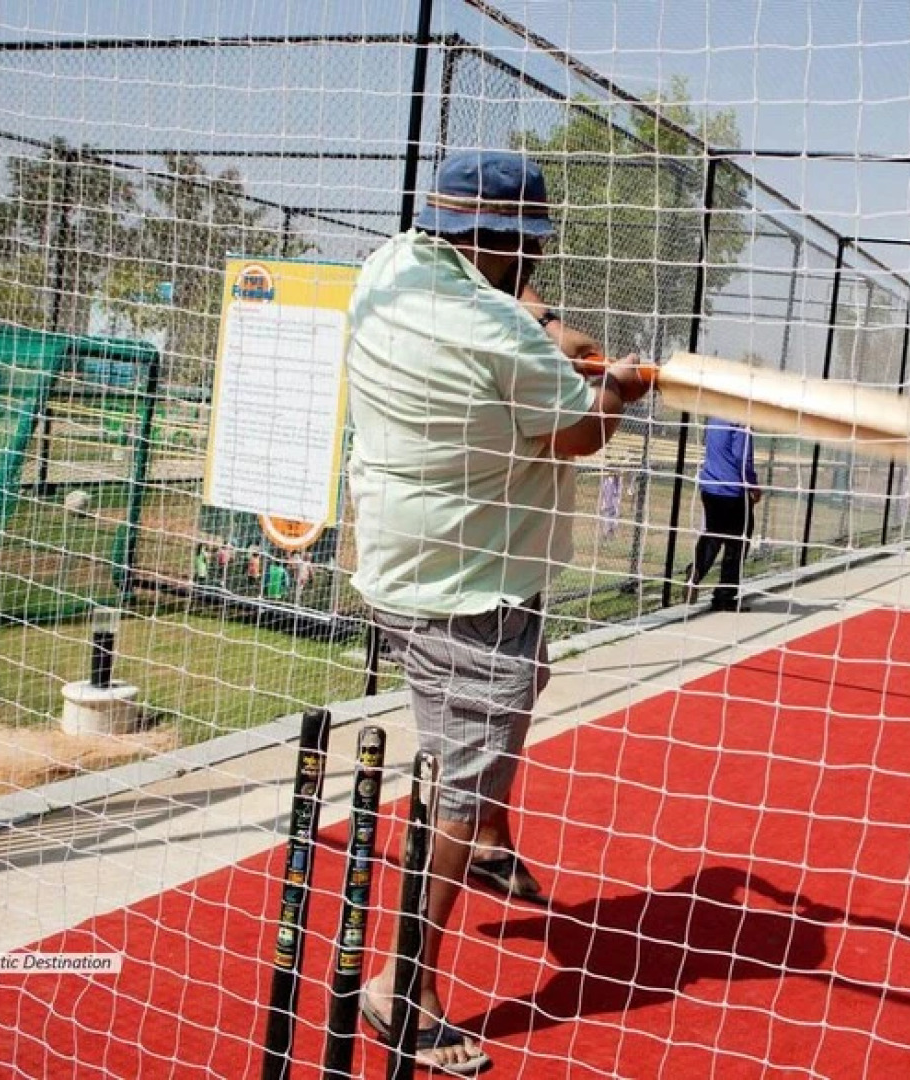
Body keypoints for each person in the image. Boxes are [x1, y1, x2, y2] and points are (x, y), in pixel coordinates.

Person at [345, 149, 654, 1075]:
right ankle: (402, 988)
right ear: (497, 246)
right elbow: (582, 431)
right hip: (473, 592)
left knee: (528, 676)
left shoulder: (392, 267)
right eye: (528, 255)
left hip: (398, 564)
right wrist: (621, 392)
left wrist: (552, 329)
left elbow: (520, 325)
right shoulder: (504, 342)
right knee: (457, 780)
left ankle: (486, 836)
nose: (538, 272)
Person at [683, 417, 760, 612]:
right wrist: (752, 483)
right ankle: (724, 595)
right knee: (738, 541)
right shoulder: (741, 419)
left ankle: (697, 569)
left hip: (710, 485)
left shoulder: (714, 416)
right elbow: (742, 456)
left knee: (714, 533)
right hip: (732, 489)